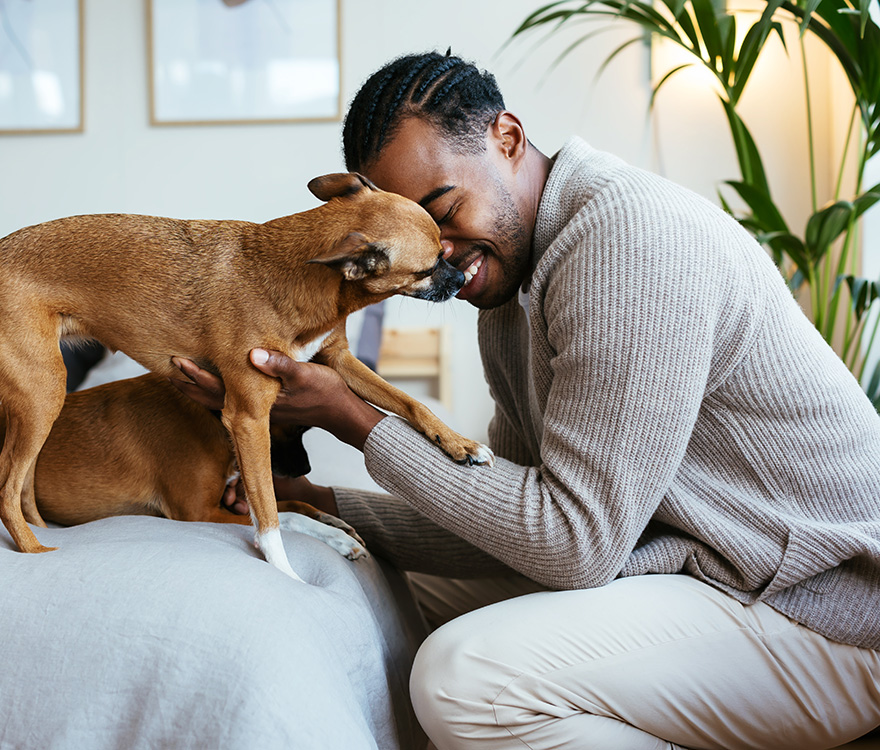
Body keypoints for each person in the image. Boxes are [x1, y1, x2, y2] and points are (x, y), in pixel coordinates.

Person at [171, 51, 880, 749]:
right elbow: (510, 524)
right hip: (709, 573)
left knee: (461, 679)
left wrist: (353, 417)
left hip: (822, 609)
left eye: (442, 210)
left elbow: (573, 546)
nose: (437, 253)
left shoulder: (626, 238)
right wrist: (316, 502)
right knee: (378, 601)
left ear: (506, 140)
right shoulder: (512, 291)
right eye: (411, 233)